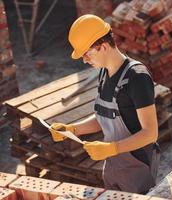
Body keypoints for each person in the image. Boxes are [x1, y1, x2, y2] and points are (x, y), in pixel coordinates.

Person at [49, 14, 160, 194]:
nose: (84, 60)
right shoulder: (104, 73)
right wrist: (72, 129)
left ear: (103, 47)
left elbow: (150, 133)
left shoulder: (137, 77)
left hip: (137, 169)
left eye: (86, 53)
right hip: (112, 166)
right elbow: (104, 116)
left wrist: (112, 148)